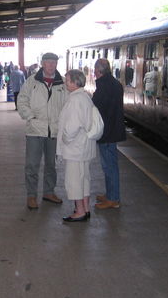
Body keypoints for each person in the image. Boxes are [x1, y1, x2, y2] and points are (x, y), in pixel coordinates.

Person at [17, 52, 68, 210]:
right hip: (35, 130)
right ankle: (31, 195)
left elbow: (68, 105)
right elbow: (22, 99)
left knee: (51, 165)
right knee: (32, 164)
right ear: (42, 64)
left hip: (54, 131)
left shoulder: (63, 83)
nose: (51, 65)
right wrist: (30, 117)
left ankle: (48, 191)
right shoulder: (32, 81)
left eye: (54, 62)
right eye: (48, 62)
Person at [57, 69, 103, 222]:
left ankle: (80, 211)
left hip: (75, 148)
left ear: (74, 82)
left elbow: (72, 127)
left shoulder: (75, 99)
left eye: (67, 80)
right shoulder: (85, 96)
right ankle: (86, 207)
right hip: (85, 147)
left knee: (74, 180)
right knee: (84, 178)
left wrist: (65, 140)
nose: (65, 82)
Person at [92, 58, 126, 209]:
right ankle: (111, 194)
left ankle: (113, 199)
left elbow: (98, 108)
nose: (94, 73)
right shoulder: (114, 83)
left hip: (107, 132)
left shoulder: (104, 86)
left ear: (99, 71)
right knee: (109, 165)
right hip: (112, 129)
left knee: (109, 166)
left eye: (95, 71)